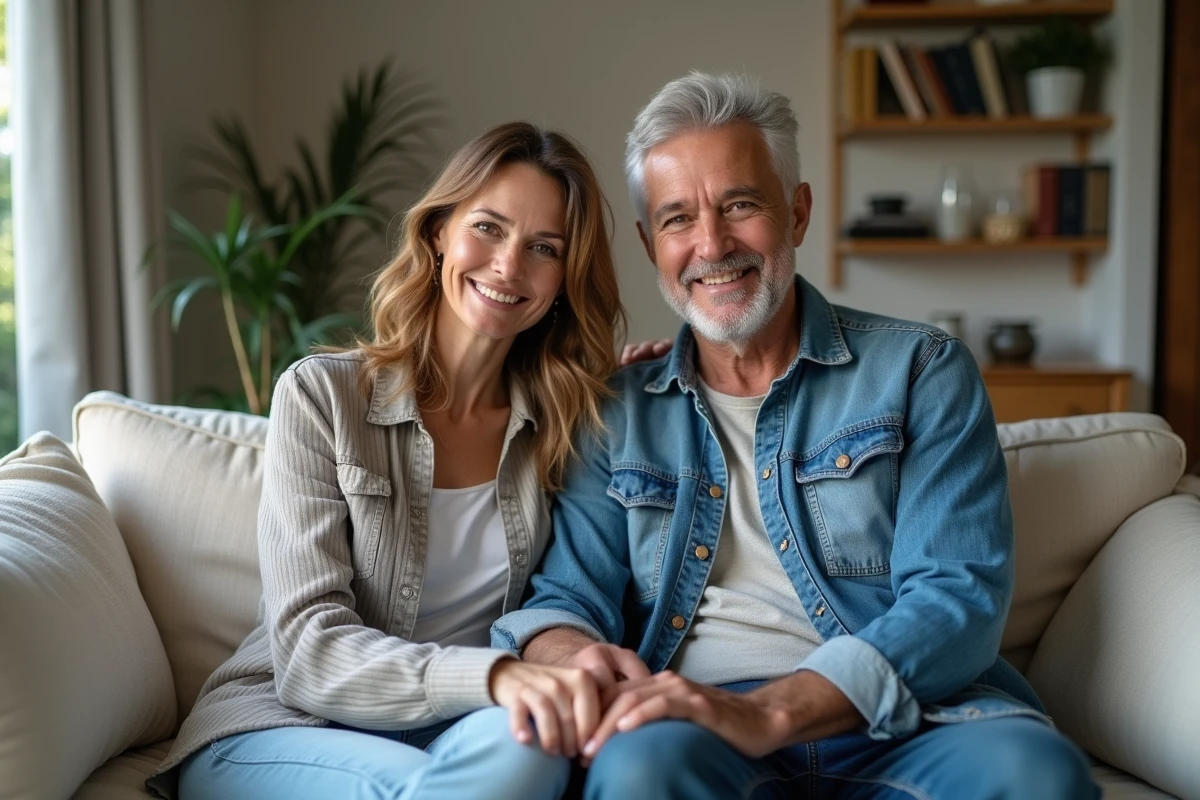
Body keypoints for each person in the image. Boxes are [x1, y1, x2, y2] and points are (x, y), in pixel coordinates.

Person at [491, 73, 1100, 799]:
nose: (712, 244)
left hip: (908, 718)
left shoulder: (921, 370)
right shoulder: (617, 409)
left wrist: (771, 711)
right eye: (678, 219)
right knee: (638, 772)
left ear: (798, 212)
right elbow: (567, 597)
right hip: (695, 730)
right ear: (651, 243)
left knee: (1035, 774)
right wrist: (572, 656)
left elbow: (956, 597)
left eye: (740, 205)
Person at [145, 121, 629, 800]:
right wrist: (496, 676)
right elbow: (307, 650)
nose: (508, 265)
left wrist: (646, 381)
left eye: (543, 248)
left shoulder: (564, 423)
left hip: (457, 730)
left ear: (563, 280)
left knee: (534, 752)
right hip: (285, 722)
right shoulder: (321, 396)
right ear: (438, 233)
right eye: (487, 228)